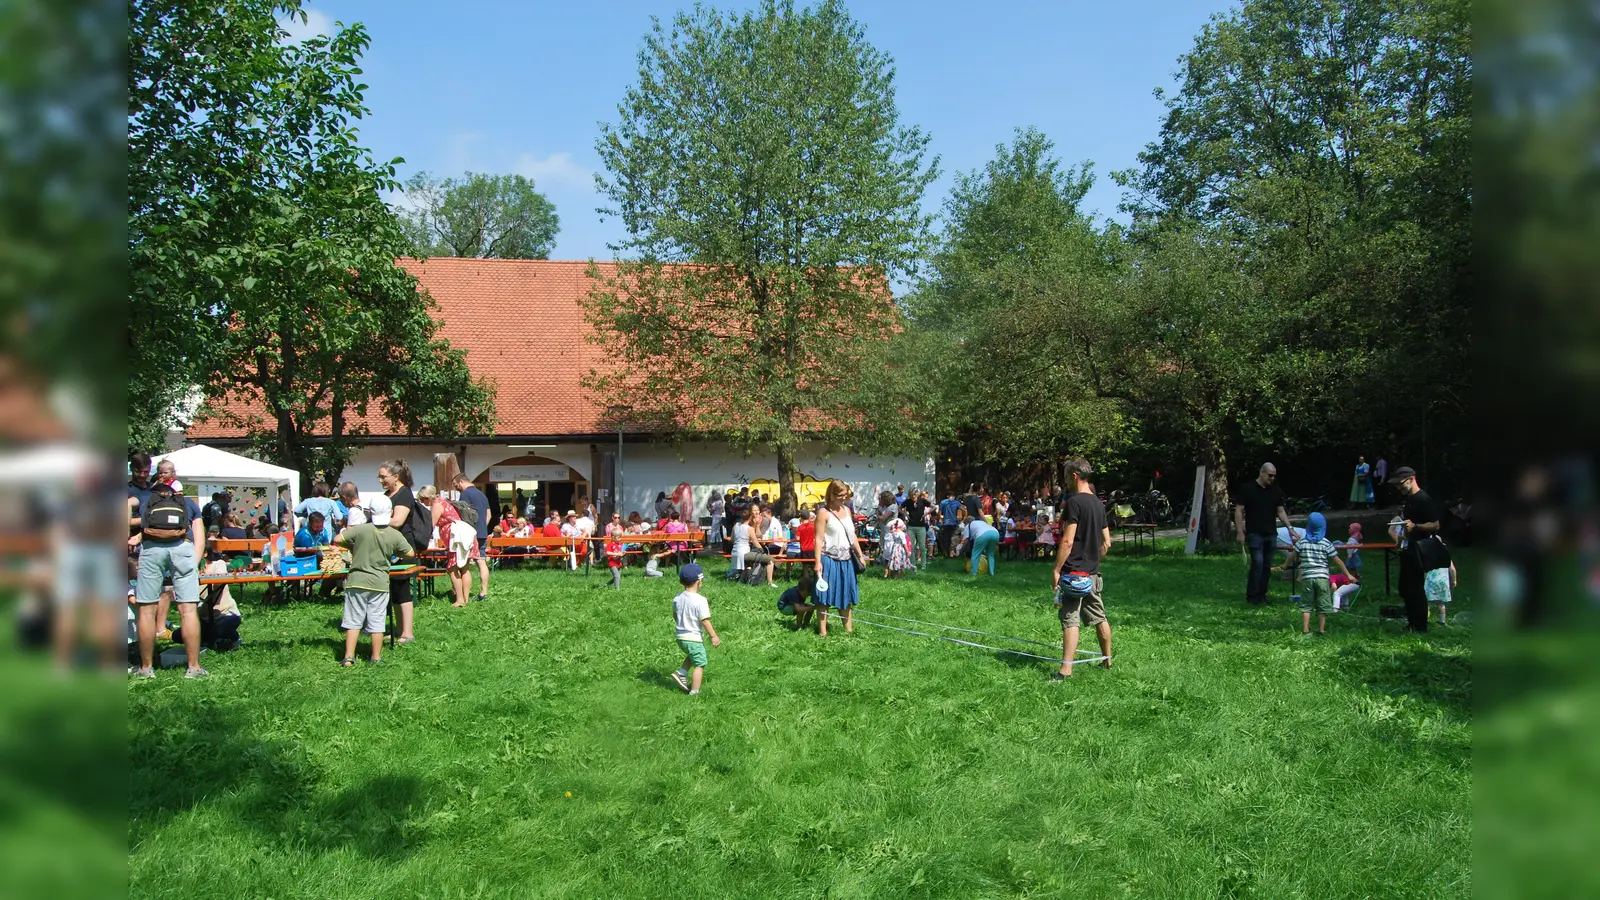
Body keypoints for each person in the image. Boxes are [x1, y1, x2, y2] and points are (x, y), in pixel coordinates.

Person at [130, 480, 208, 679]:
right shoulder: (187, 502)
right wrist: (194, 561)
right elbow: (200, 535)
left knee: (147, 610)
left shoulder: (145, 500)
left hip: (151, 550)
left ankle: (146, 668)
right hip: (182, 549)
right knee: (188, 609)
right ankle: (194, 668)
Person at [331, 493, 414, 666]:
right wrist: (393, 552)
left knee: (353, 620)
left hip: (356, 581)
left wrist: (353, 546)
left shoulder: (361, 529)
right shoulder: (394, 534)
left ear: (370, 512)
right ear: (391, 512)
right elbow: (410, 552)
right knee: (377, 621)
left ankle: (348, 657)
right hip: (379, 583)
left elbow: (338, 539)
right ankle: (376, 657)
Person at [1051, 457, 1112, 679]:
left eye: (1067, 477)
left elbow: (1067, 541)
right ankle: (1108, 661)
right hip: (1093, 574)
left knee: (1070, 619)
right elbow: (1107, 542)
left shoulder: (1074, 504)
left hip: (1073, 574)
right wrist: (1094, 560)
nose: (1066, 482)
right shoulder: (1098, 504)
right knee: (1100, 617)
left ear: (1075, 476)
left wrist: (1057, 569)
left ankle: (1065, 670)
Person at [1233, 462, 1298, 606]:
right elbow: (1238, 511)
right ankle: (1252, 596)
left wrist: (1290, 528)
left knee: (1267, 566)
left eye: (1274, 476)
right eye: (1270, 475)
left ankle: (1262, 595)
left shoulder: (1275, 490)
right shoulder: (1247, 488)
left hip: (1271, 534)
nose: (1272, 478)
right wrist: (1239, 532)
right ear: (1262, 473)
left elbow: (1280, 511)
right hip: (1254, 533)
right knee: (1258, 563)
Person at [378, 460, 429, 645]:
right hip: (389, 548)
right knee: (393, 589)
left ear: (395, 477)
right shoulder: (388, 494)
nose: (380, 480)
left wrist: (373, 520)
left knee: (402, 588)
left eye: (383, 476)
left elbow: (398, 521)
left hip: (403, 549)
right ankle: (398, 629)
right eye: (380, 476)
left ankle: (407, 633)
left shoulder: (404, 494)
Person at [1390, 465, 1441, 632]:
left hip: (1420, 549)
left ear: (1411, 480)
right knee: (1404, 587)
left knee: (1415, 588)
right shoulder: (1410, 500)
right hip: (1408, 547)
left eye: (1400, 484)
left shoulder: (1423, 499)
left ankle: (1420, 627)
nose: (1398, 488)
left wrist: (1416, 526)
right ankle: (1412, 622)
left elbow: (1435, 525)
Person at [1286, 512, 1353, 636]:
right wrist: (1348, 575)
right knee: (1323, 603)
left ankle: (1306, 630)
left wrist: (1285, 566)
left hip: (1307, 578)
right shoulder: (1326, 543)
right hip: (1322, 578)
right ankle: (1321, 630)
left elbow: (1292, 556)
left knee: (1306, 605)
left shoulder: (1302, 543)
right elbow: (1337, 561)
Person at [814, 481, 865, 636]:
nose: (844, 498)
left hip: (847, 560)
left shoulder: (847, 510)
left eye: (846, 495)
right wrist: (817, 562)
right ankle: (823, 633)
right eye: (841, 496)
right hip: (828, 559)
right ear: (832, 495)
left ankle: (848, 631)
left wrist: (861, 554)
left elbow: (852, 535)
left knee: (847, 595)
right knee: (824, 597)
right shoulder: (823, 513)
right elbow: (818, 538)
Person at [669, 563, 719, 695]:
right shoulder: (700, 600)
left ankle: (681, 672)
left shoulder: (677, 598)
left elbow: (675, 615)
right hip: (693, 637)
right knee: (700, 663)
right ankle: (695, 691)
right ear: (699, 581)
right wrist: (713, 636)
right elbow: (705, 620)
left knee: (693, 655)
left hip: (680, 637)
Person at [454, 474, 492, 602]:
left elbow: (462, 515)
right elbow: (488, 515)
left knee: (463, 564)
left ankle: (463, 595)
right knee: (481, 561)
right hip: (482, 532)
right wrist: (482, 528)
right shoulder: (482, 495)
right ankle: (484, 592)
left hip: (469, 534)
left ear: (461, 481)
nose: (456, 488)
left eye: (456, 485)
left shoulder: (465, 494)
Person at [1427, 551, 1458, 626]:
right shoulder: (1446, 557)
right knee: (1440, 603)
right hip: (1442, 583)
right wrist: (1454, 580)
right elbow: (1453, 569)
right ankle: (1442, 621)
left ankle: (1424, 620)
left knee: (1425, 603)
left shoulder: (1428, 556)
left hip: (1430, 582)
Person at [904, 490, 932, 567]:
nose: (913, 496)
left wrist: (926, 514)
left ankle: (923, 565)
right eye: (911, 495)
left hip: (921, 526)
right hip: (911, 526)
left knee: (922, 546)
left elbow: (933, 507)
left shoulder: (922, 500)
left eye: (914, 495)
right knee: (911, 546)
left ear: (917, 495)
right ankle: (912, 564)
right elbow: (899, 508)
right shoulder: (908, 501)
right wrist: (905, 514)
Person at [938, 489, 963, 558]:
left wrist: (939, 519)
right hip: (954, 523)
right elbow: (964, 509)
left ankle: (946, 554)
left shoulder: (943, 502)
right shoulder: (957, 502)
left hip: (945, 523)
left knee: (946, 538)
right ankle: (952, 554)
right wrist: (962, 518)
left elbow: (939, 513)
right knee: (953, 538)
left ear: (947, 496)